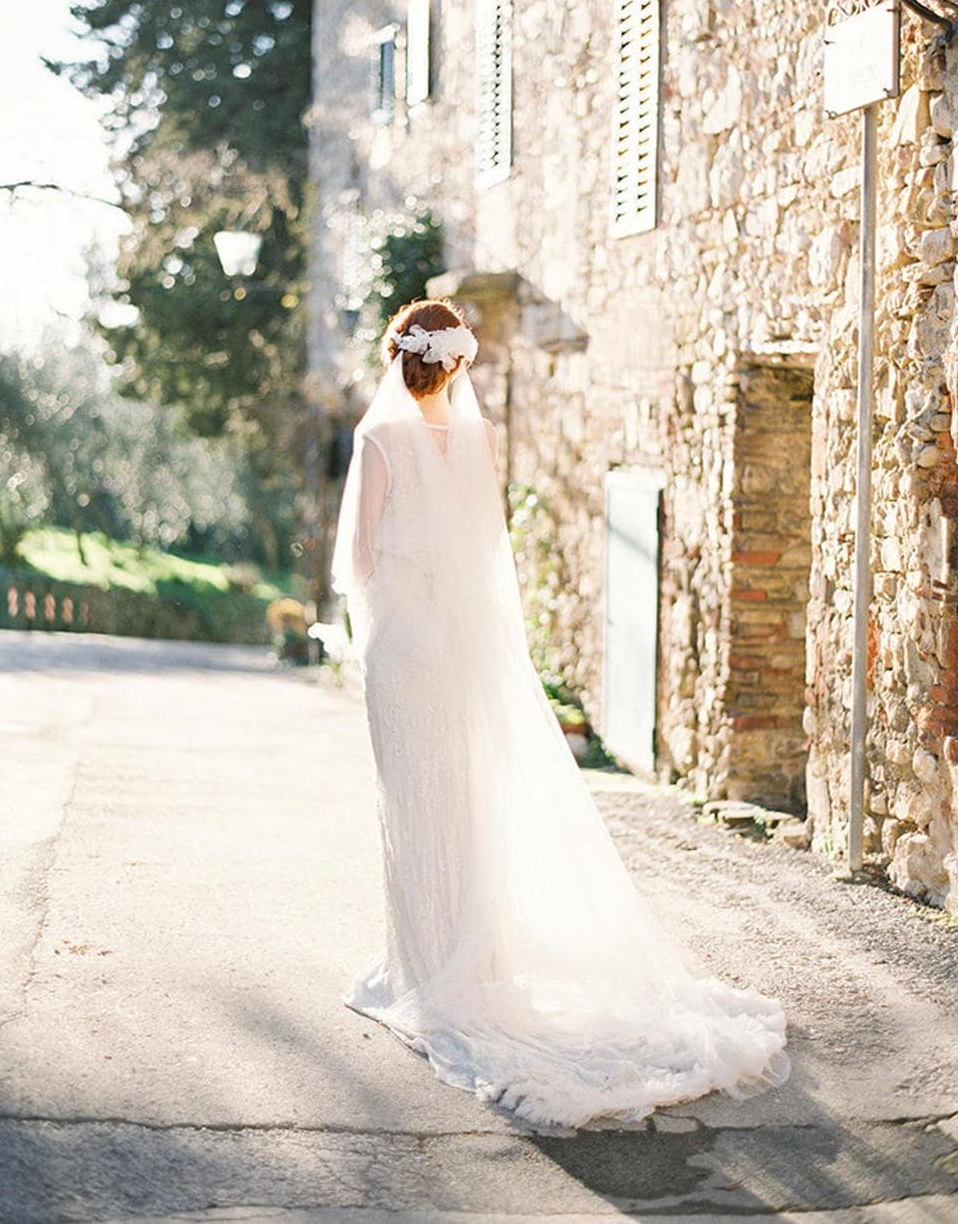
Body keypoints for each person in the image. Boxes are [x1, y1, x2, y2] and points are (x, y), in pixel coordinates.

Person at [330, 297, 790, 1131]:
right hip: (463, 647)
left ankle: (424, 971)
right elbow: (483, 551)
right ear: (459, 362)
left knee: (412, 802)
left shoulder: (377, 439)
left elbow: (359, 560)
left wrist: (382, 618)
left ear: (399, 353)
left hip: (404, 649)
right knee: (466, 802)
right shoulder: (477, 440)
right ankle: (476, 962)